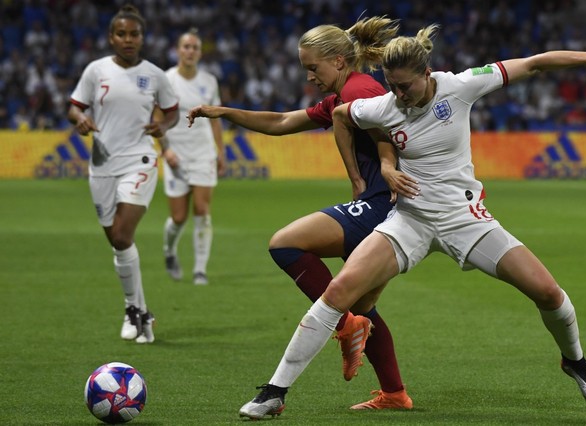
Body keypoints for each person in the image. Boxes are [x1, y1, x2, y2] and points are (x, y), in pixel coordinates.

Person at [239, 28, 586, 418]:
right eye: (392, 86)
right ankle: (275, 392)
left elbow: (535, 63)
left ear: (427, 75)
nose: (398, 96)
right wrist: (374, 169)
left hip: (465, 219)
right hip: (410, 220)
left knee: (549, 294)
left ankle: (575, 361)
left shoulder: (461, 86)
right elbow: (343, 116)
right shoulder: (385, 105)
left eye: (405, 87)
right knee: (338, 292)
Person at [187, 17, 413, 415]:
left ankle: (344, 326)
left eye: (314, 67)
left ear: (340, 61)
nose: (310, 77)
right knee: (362, 302)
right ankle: (393, 391)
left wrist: (370, 175)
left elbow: (389, 132)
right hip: (383, 203)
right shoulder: (343, 93)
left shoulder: (361, 89)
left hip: (382, 204)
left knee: (286, 243)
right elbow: (283, 122)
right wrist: (224, 112)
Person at [67, 4, 179, 344]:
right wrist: (80, 120)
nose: (128, 40)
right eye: (121, 34)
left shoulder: (155, 75)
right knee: (118, 244)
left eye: (134, 34)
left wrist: (161, 125)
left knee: (121, 235)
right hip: (102, 166)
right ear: (111, 37)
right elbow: (75, 106)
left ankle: (132, 309)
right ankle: (141, 311)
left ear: (142, 38)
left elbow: (172, 112)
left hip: (140, 159)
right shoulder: (95, 71)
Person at [160, 29, 225, 286]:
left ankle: (200, 269)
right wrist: (165, 149)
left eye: (194, 47)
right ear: (178, 50)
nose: (190, 51)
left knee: (201, 210)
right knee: (178, 217)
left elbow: (215, 121)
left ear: (199, 52)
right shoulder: (166, 81)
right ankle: (169, 251)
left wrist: (220, 152)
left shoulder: (209, 81)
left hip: (203, 153)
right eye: (185, 46)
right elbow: (157, 119)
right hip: (176, 153)